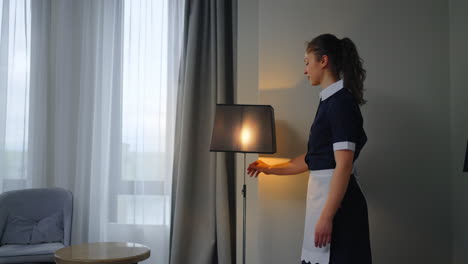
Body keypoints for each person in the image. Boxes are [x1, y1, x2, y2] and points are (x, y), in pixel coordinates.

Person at [247, 33, 372, 264]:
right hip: (324, 200)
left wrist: (327, 216)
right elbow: (312, 159)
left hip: (339, 207)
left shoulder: (341, 103)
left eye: (307, 62)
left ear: (323, 61)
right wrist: (269, 168)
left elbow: (343, 165)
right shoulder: (328, 102)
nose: (305, 70)